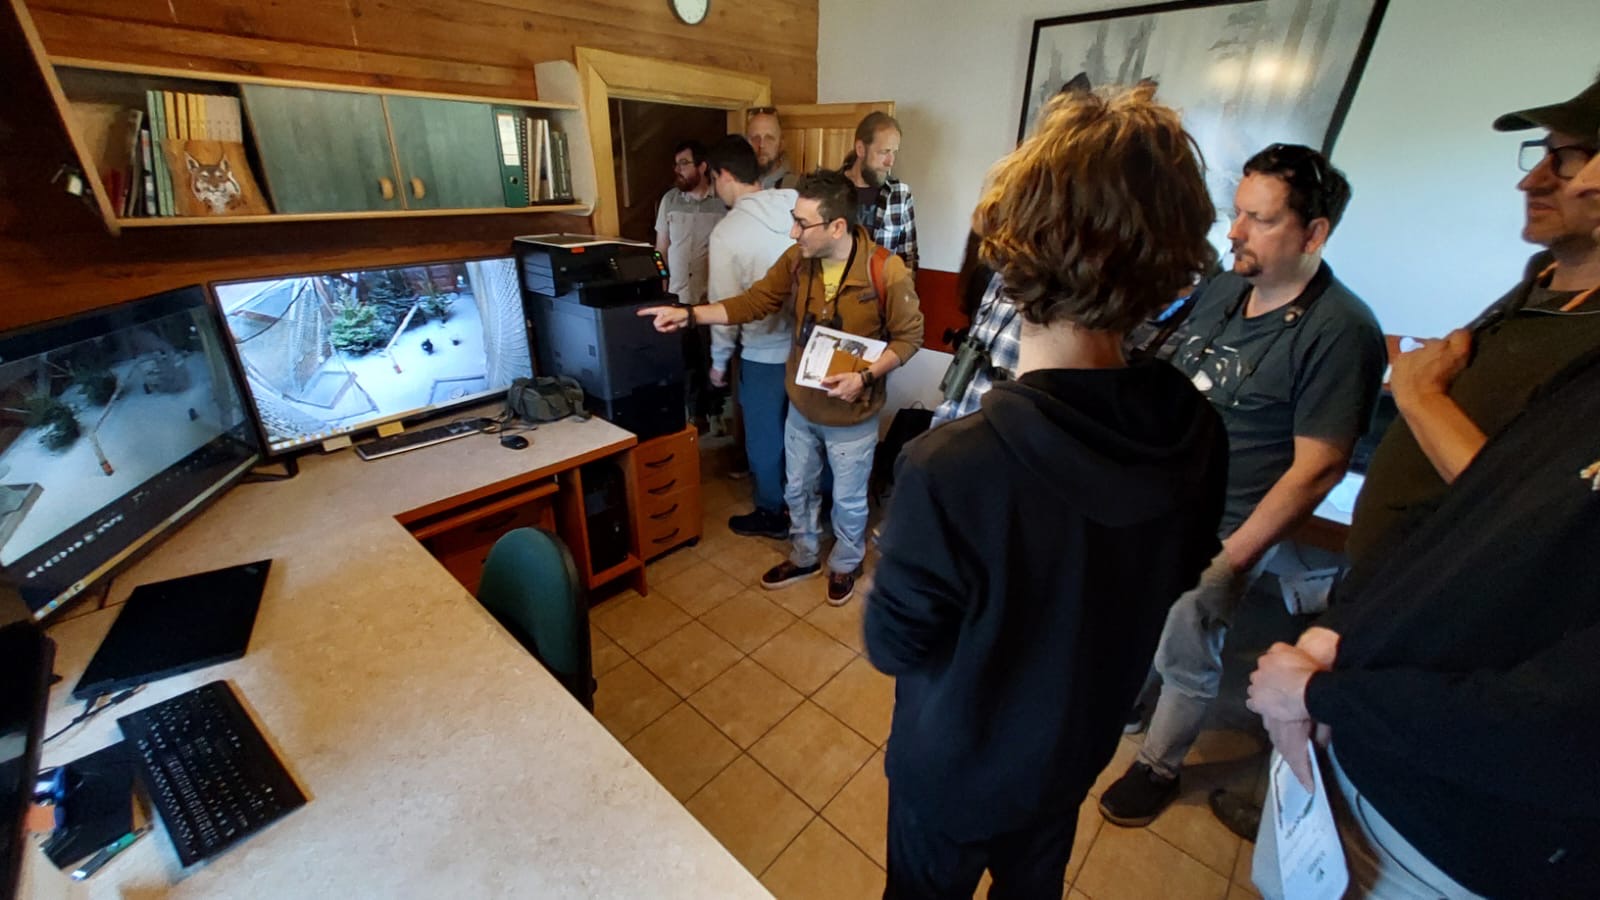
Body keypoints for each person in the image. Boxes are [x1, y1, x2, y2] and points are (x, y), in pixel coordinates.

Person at [863, 84, 1226, 899]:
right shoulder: (1195, 428)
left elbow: (895, 647)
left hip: (953, 774)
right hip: (1070, 757)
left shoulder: (948, 467)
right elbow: (1175, 573)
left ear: (1011, 256)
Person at [1246, 336, 1600, 899]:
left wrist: (1319, 695)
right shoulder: (1585, 368)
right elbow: (1463, 516)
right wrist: (1335, 632)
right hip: (1345, 746)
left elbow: (1564, 730)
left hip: (1448, 842)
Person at [1098, 143, 1387, 828]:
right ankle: (1131, 703)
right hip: (1158, 505)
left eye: (1259, 219)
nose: (1234, 232)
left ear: (1313, 233)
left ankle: (1159, 765)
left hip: (1223, 528)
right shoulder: (1227, 288)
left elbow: (1318, 467)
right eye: (1237, 213)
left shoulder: (1341, 331)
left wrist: (1233, 559)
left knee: (1188, 651)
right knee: (1138, 618)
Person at [1344, 76, 1600, 568]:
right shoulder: (1540, 280)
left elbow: (1541, 515)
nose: (1531, 182)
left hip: (1438, 601)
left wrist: (1422, 397)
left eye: (1567, 158)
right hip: (1374, 588)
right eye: (1543, 154)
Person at [638, 169, 924, 605]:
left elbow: (909, 338)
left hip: (853, 414)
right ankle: (805, 555)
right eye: (793, 219)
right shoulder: (796, 261)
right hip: (802, 407)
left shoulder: (887, 270)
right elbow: (754, 302)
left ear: (837, 227)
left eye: (802, 224)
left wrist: (865, 376)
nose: (793, 232)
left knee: (848, 500)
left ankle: (846, 562)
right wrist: (691, 315)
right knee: (797, 489)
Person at [702, 135, 800, 540]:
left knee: (765, 439)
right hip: (809, 347)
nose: (715, 189)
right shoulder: (798, 203)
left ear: (724, 175)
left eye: (713, 180)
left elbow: (726, 310)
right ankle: (810, 508)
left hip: (763, 353)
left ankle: (772, 513)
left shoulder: (727, 233)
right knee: (805, 432)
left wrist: (718, 362)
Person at [655, 139, 728, 430]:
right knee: (686, 361)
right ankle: (694, 415)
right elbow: (661, 249)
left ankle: (717, 411)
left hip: (710, 299)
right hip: (677, 297)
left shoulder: (722, 202)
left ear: (702, 166)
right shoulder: (669, 200)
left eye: (684, 163)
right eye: (676, 164)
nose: (678, 170)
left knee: (712, 356)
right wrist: (661, 287)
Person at [842, 112, 918, 271]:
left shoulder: (900, 195)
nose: (890, 162)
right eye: (884, 152)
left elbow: (909, 257)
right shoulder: (829, 190)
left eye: (894, 152)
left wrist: (902, 285)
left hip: (882, 286)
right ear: (860, 149)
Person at [746, 107, 797, 191]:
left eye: (769, 139)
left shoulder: (796, 187)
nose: (761, 145)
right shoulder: (736, 186)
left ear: (781, 142)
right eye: (755, 138)